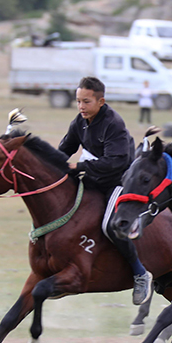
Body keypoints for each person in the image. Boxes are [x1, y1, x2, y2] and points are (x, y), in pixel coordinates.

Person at [58, 76, 153, 305]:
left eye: (86, 101)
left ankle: (140, 273)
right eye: (78, 101)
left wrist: (79, 167)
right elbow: (63, 151)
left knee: (110, 226)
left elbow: (116, 163)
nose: (81, 106)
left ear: (101, 101)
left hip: (118, 181)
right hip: (93, 178)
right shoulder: (79, 122)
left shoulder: (114, 124)